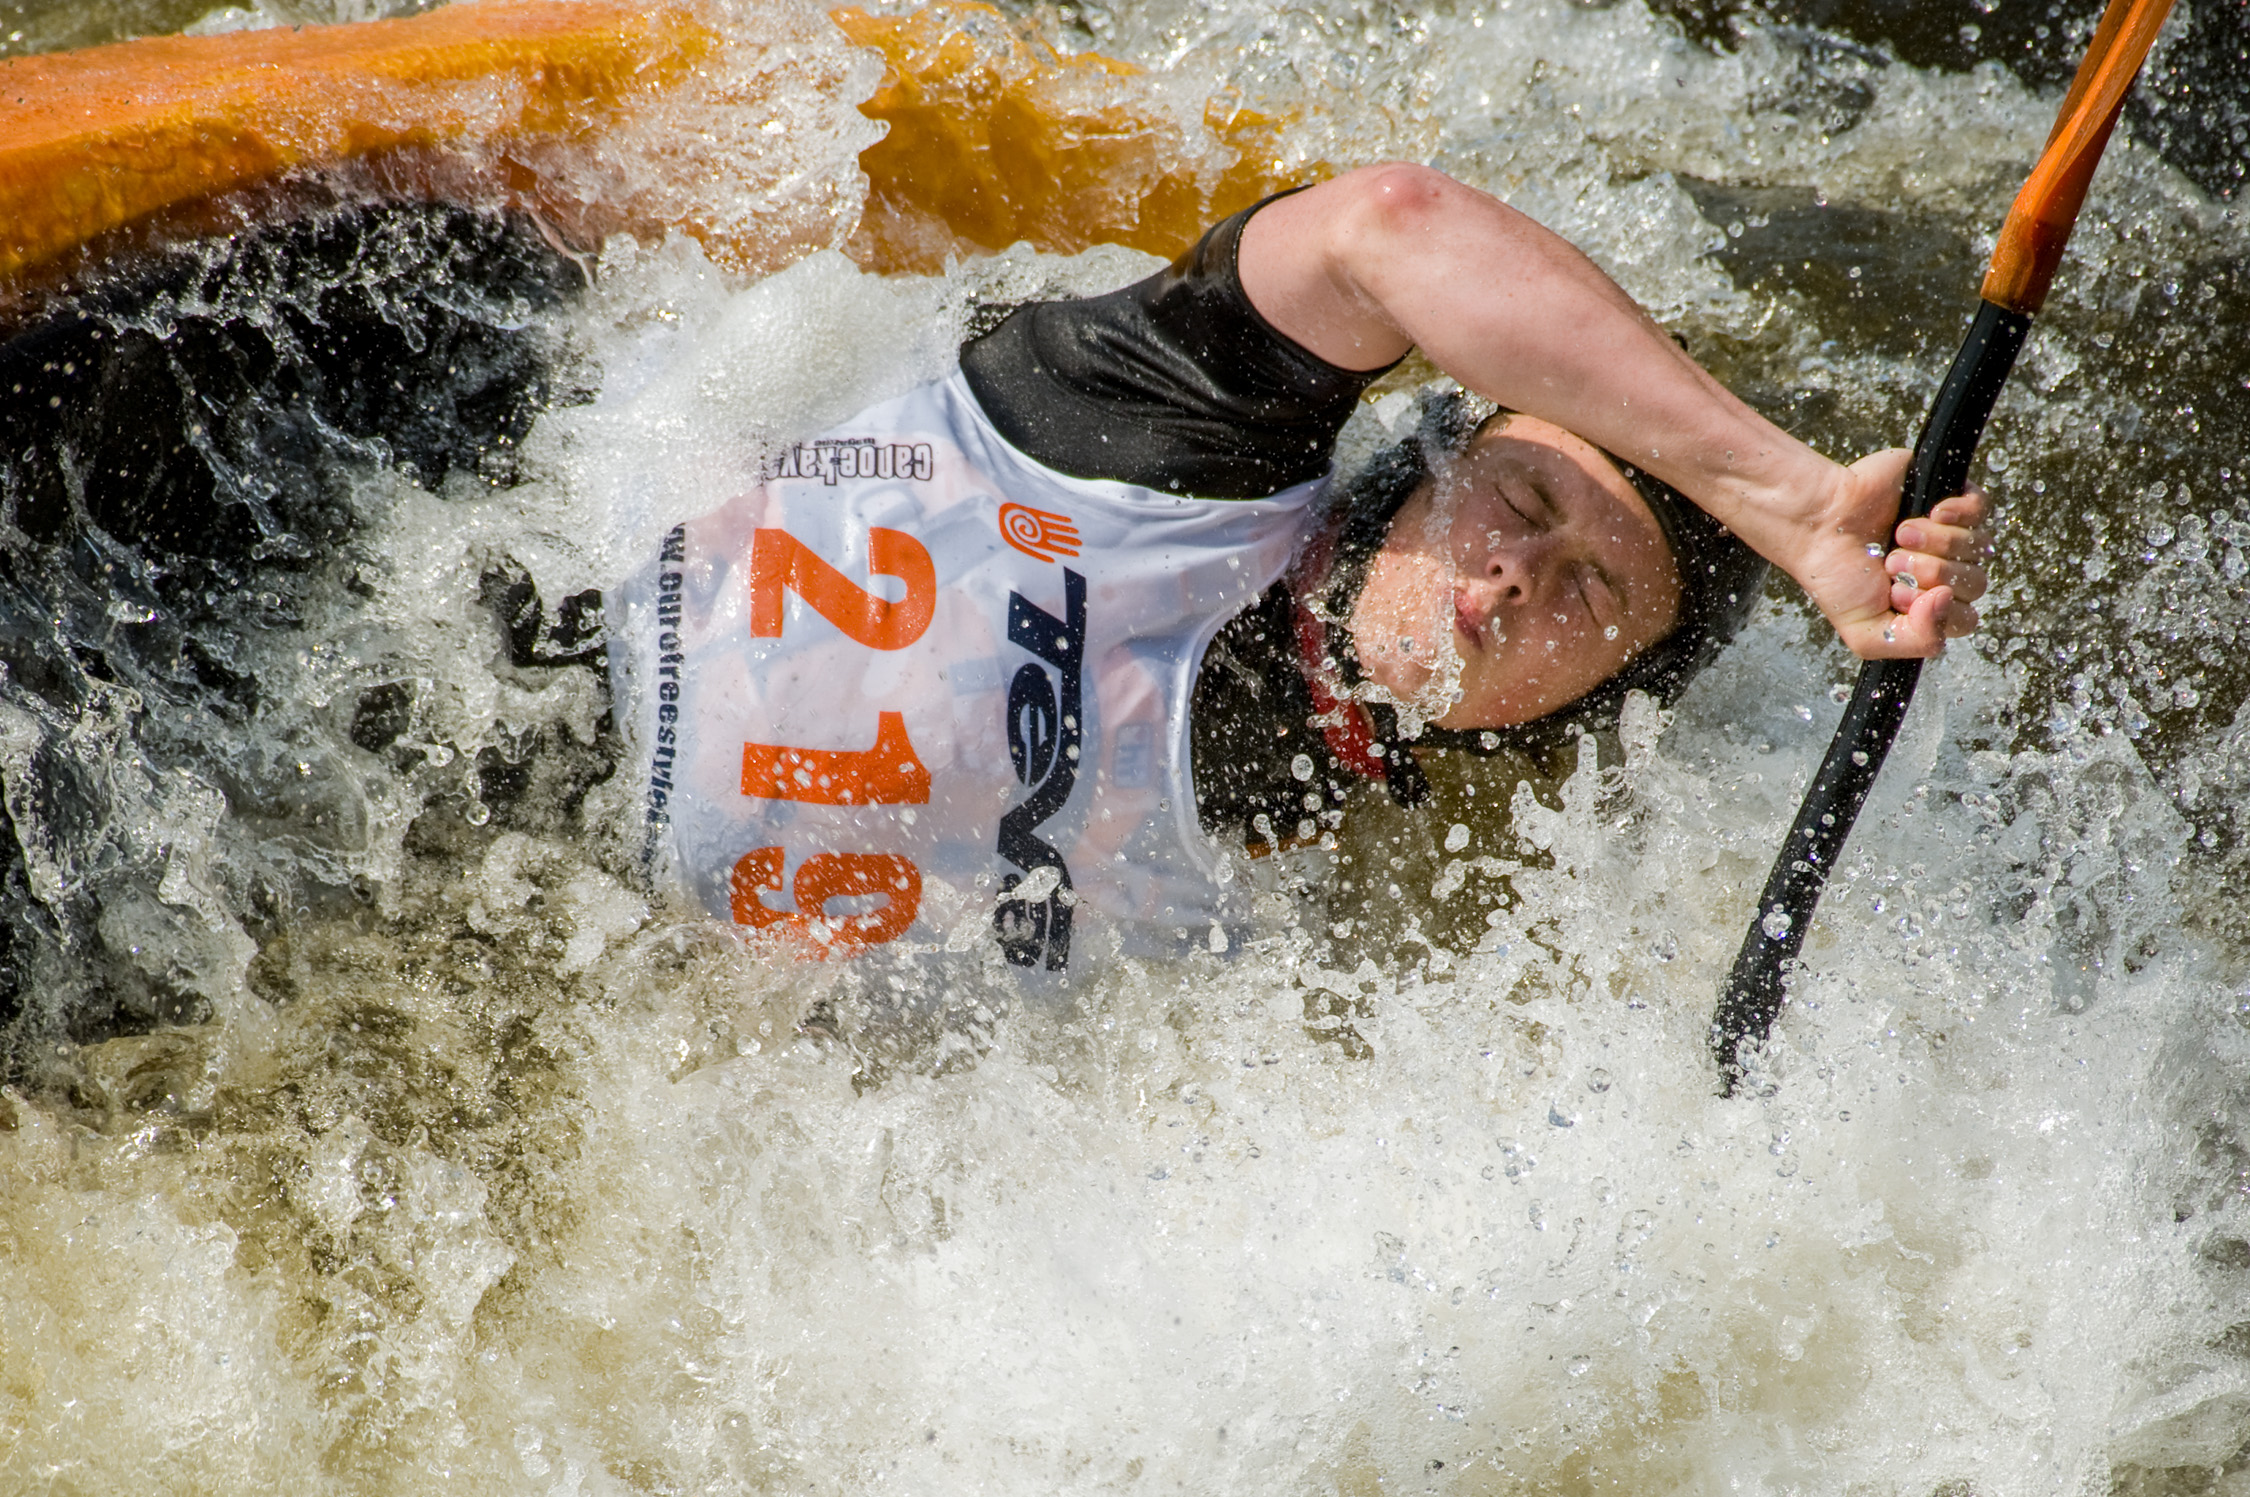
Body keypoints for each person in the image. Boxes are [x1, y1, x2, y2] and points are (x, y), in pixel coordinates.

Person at [614, 163, 1989, 973]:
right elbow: (1386, 224)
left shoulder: (1301, 878)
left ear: (1580, 702)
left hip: (554, 917)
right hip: (483, 599)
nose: (1513, 576)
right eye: (1519, 499)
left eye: (1590, 594)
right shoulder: (1181, 433)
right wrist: (1790, 503)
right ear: (1428, 466)